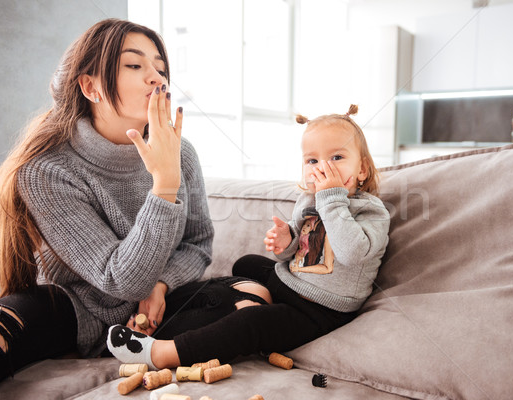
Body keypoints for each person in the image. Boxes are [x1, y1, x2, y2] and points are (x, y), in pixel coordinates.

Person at [0, 18, 266, 388]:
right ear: (90, 86)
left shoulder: (180, 152)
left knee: (254, 294)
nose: (157, 78)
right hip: (73, 306)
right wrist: (164, 185)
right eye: (135, 65)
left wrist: (161, 286)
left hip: (150, 312)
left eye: (161, 68)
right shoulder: (46, 170)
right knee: (2, 327)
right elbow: (118, 279)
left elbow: (197, 244)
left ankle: (144, 346)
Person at [107, 104, 391, 369]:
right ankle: (232, 301)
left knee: (251, 323)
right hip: (293, 284)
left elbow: (351, 252)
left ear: (362, 169)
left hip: (320, 309)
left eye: (337, 158)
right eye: (312, 160)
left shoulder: (370, 211)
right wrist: (286, 241)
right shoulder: (308, 201)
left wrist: (331, 198)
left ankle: (163, 352)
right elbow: (297, 255)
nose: (322, 168)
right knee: (247, 264)